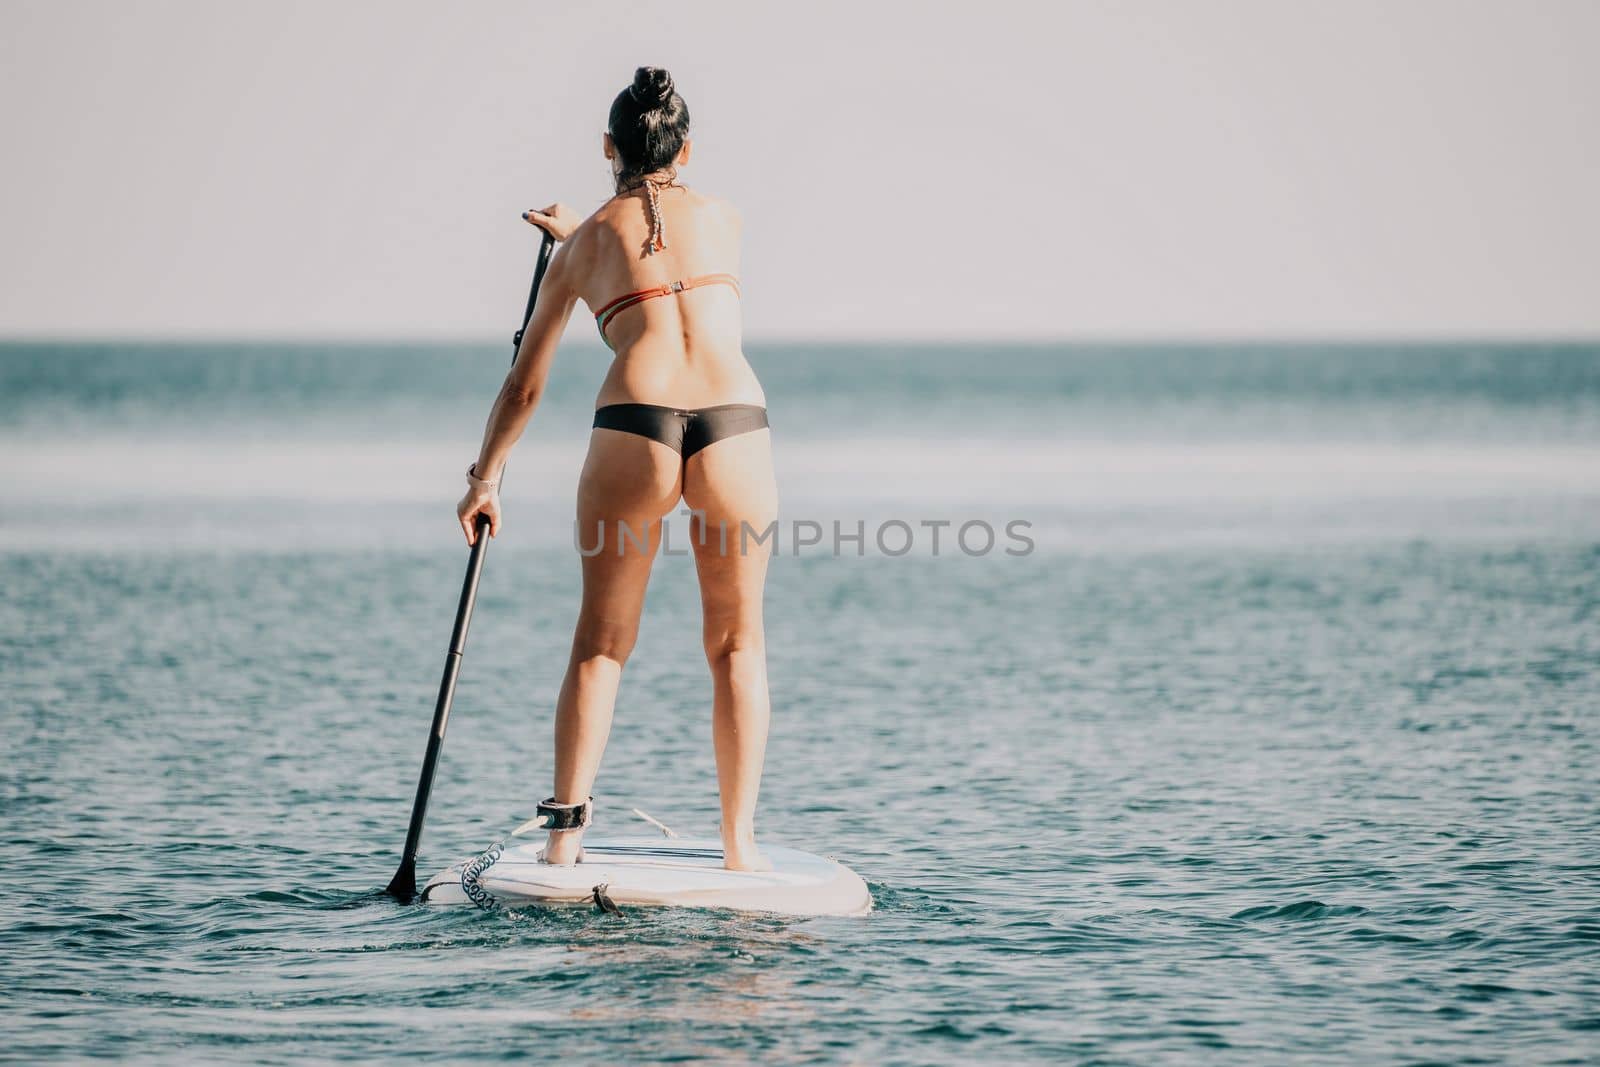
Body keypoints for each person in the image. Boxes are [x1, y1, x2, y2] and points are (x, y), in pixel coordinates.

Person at [456, 66, 776, 872]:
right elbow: (662, 246)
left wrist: (485, 476)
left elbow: (526, 383)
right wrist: (591, 233)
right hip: (735, 425)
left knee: (601, 643)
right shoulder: (730, 217)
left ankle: (564, 842)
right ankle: (740, 846)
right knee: (737, 643)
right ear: (688, 148)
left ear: (608, 146)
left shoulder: (585, 246)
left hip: (635, 422)